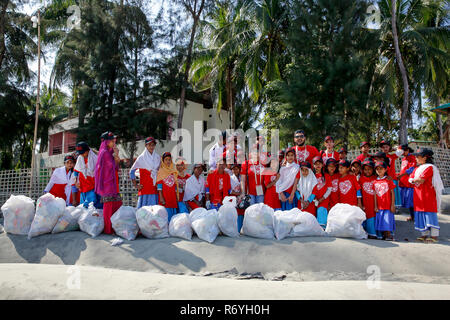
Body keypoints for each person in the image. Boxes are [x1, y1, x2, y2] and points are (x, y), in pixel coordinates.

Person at [409, 149, 443, 244]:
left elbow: (420, 180)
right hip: (418, 196)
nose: (415, 158)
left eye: (417, 156)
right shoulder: (417, 168)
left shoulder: (429, 167)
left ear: (424, 157)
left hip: (428, 196)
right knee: (420, 215)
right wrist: (414, 180)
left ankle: (434, 236)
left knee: (430, 215)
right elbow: (410, 179)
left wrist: (414, 180)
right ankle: (423, 234)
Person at [94, 131, 122, 235]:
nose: (114, 141)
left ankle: (115, 228)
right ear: (106, 142)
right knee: (109, 206)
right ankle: (108, 229)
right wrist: (116, 155)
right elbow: (112, 165)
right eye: (111, 140)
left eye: (114, 140)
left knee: (116, 204)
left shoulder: (109, 152)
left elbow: (117, 165)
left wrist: (116, 155)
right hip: (107, 183)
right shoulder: (104, 152)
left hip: (113, 182)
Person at [129, 137, 161, 208]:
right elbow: (132, 171)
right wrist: (136, 185)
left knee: (155, 212)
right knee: (144, 213)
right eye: (149, 145)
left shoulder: (158, 157)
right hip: (145, 189)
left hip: (155, 188)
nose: (151, 147)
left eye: (153, 145)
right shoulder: (141, 158)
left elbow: (161, 172)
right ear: (145, 145)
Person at [373, 161, 397, 241]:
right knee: (381, 221)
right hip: (379, 206)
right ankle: (384, 235)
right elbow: (375, 195)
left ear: (385, 170)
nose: (379, 170)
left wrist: (393, 205)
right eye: (377, 169)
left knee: (388, 220)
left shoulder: (388, 180)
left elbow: (392, 193)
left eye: (381, 168)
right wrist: (375, 206)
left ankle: (389, 235)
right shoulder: (375, 181)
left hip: (387, 205)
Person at [74, 141, 101, 208]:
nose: (81, 155)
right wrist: (75, 181)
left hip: (93, 183)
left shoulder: (95, 158)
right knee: (83, 202)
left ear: (87, 151)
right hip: (83, 183)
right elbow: (76, 171)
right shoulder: (80, 158)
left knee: (92, 200)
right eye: (80, 153)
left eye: (83, 153)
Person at [379, 140, 403, 207]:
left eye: (387, 147)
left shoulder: (392, 156)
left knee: (393, 193)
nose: (385, 148)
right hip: (383, 179)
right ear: (381, 148)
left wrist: (394, 149)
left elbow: (401, 151)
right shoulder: (379, 157)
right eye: (383, 147)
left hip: (392, 178)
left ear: (389, 147)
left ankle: (396, 206)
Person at [156, 152, 179, 221]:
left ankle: (172, 229)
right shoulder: (161, 171)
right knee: (165, 214)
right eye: (166, 159)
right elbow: (159, 185)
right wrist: (161, 197)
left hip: (172, 196)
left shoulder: (173, 171)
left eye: (169, 160)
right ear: (163, 161)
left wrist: (176, 196)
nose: (168, 161)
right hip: (165, 197)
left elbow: (175, 185)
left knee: (173, 214)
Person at [397, 144, 416, 221]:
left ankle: (415, 217)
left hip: (409, 183)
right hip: (403, 182)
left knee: (411, 202)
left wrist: (401, 175)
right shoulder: (404, 158)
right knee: (409, 202)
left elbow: (411, 169)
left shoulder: (412, 157)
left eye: (403, 151)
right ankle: (412, 217)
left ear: (407, 150)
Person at [311, 156, 332, 228]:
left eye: (319, 163)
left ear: (322, 165)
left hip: (324, 200)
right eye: (316, 164)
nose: (318, 165)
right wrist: (313, 199)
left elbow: (329, 189)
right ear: (313, 165)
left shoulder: (326, 176)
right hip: (313, 199)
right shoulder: (311, 176)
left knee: (321, 210)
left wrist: (322, 198)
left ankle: (322, 227)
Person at [359, 159, 377, 239]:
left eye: (369, 169)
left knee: (373, 217)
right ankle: (367, 232)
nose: (367, 171)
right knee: (366, 216)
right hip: (365, 203)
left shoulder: (376, 178)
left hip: (375, 203)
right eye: (365, 169)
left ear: (373, 169)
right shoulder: (361, 179)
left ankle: (374, 233)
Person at [229, 164, 245, 232]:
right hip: (233, 197)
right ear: (231, 170)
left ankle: (240, 229)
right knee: (235, 213)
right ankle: (235, 229)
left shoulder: (241, 177)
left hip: (241, 198)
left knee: (241, 212)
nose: (235, 170)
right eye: (234, 169)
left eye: (237, 169)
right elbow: (229, 190)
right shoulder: (230, 178)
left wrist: (241, 195)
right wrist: (238, 194)